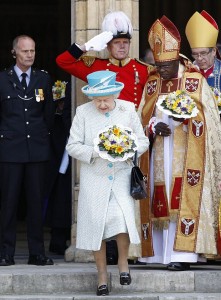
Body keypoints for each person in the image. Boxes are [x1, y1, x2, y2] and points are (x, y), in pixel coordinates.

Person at [56, 10, 153, 265]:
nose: (122, 47)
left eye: (125, 43)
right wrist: (86, 46)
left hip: (130, 144)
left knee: (128, 199)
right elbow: (63, 62)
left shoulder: (141, 69)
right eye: (117, 43)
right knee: (102, 203)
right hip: (100, 147)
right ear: (108, 45)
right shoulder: (97, 66)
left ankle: (131, 253)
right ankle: (108, 254)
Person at [137, 16, 221, 271]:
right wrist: (151, 127)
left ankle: (182, 255)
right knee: (158, 199)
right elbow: (142, 114)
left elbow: (210, 121)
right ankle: (154, 255)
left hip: (187, 155)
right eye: (158, 65)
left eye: (166, 65)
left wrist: (185, 120)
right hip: (159, 154)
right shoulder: (153, 82)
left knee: (181, 198)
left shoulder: (194, 80)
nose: (161, 71)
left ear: (178, 59)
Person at [66, 70, 149, 295]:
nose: (101, 105)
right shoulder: (82, 112)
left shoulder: (127, 109)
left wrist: (128, 148)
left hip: (121, 175)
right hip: (95, 177)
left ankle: (123, 263)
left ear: (115, 95)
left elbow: (142, 141)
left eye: (105, 99)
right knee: (97, 226)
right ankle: (101, 274)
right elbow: (72, 146)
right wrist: (96, 151)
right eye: (97, 100)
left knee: (121, 220)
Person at [0, 35, 55, 266]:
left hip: (37, 151)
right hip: (10, 150)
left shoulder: (43, 79)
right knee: (8, 203)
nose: (29, 55)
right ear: (14, 52)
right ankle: (5, 253)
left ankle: (37, 253)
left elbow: (49, 114)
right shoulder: (3, 79)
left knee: (35, 203)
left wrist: (42, 137)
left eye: (32, 50)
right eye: (25, 51)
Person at [44, 80, 72, 255]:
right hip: (58, 166)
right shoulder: (54, 121)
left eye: (64, 102)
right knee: (59, 200)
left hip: (72, 166)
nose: (61, 105)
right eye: (59, 102)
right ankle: (58, 241)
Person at [185, 10, 221, 90]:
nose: (199, 58)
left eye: (203, 53)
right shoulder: (187, 73)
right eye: (195, 54)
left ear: (214, 51)